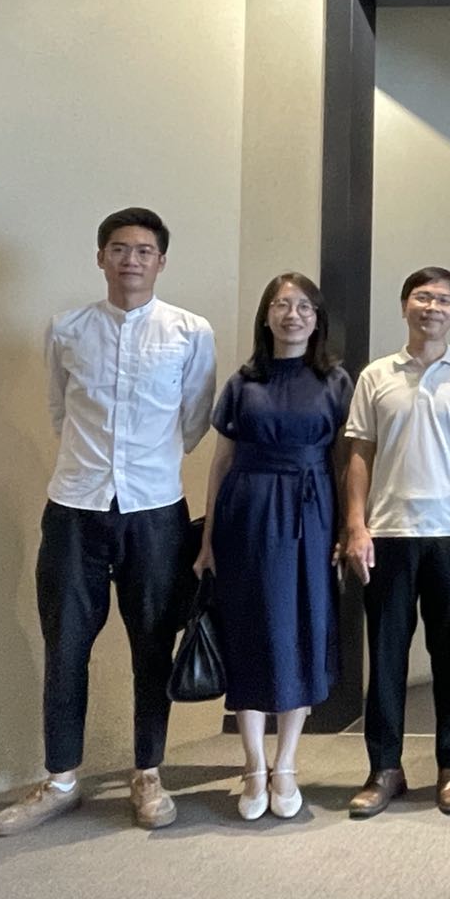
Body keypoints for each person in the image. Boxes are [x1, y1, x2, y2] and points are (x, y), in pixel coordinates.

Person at [0, 207, 216, 836]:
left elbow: (195, 418)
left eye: (143, 251)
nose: (130, 260)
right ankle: (61, 779)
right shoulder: (67, 329)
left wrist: (145, 463)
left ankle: (148, 773)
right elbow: (60, 411)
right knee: (65, 646)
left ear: (161, 261)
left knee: (153, 646)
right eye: (119, 249)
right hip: (75, 508)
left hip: (155, 512)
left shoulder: (190, 332)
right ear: (100, 258)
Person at [192, 273, 352, 820]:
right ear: (266, 316)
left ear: (317, 318)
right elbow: (221, 462)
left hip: (310, 515)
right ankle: (253, 764)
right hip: (247, 515)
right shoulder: (244, 382)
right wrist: (208, 538)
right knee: (250, 629)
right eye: (282, 305)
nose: (292, 315)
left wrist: (345, 528)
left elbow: (344, 462)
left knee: (300, 628)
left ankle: (286, 763)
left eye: (304, 306)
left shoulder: (335, 381)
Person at [341, 267, 450, 818]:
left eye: (443, 299)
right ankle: (384, 768)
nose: (432, 307)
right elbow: (359, 454)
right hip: (387, 534)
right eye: (422, 297)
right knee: (385, 657)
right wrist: (356, 527)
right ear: (405, 304)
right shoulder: (375, 376)